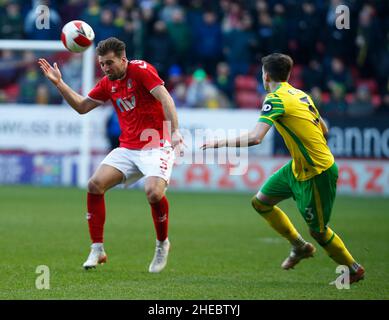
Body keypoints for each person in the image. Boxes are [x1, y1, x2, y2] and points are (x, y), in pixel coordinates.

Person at [201, 53, 365, 284]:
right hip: (298, 167)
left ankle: (353, 268)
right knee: (260, 202)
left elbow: (257, 137)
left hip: (317, 172)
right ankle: (299, 247)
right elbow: (324, 129)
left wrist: (220, 142)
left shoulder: (275, 99)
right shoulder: (301, 95)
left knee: (318, 231)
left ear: (265, 75)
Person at [38, 37, 184, 273]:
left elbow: (165, 97)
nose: (106, 69)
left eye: (109, 63)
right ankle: (97, 249)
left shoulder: (141, 70)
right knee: (94, 185)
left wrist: (175, 132)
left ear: (123, 59)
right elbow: (82, 107)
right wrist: (59, 84)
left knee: (153, 193)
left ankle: (161, 244)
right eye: (102, 64)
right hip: (127, 148)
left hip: (156, 144)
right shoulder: (107, 83)